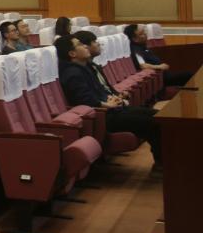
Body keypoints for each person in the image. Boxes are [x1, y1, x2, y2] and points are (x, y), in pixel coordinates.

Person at [54, 35, 162, 166]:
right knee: (153, 122)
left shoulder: (86, 67)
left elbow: (99, 90)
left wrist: (113, 97)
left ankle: (162, 161)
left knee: (158, 116)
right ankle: (161, 163)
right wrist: (106, 104)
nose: (85, 46)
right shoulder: (72, 73)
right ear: (72, 53)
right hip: (103, 117)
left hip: (111, 111)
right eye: (80, 45)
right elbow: (84, 100)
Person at [125, 24, 192, 88]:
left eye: (144, 32)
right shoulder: (135, 50)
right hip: (157, 78)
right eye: (141, 34)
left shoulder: (142, 46)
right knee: (189, 75)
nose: (145, 34)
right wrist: (159, 67)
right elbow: (142, 65)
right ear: (135, 39)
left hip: (162, 74)